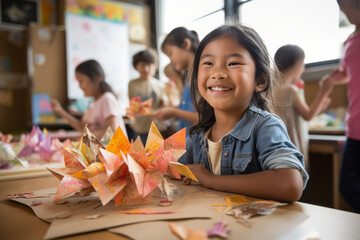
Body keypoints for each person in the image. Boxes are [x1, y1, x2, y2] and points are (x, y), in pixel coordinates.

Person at [178, 24, 309, 202]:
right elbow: (176, 169)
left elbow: (290, 184)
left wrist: (211, 180)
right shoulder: (198, 135)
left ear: (260, 80)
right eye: (208, 63)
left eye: (233, 63)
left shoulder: (265, 126)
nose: (218, 73)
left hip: (258, 227)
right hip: (212, 226)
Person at [274, 44, 335, 170]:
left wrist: (319, 107)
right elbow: (308, 115)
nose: (303, 67)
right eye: (303, 63)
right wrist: (324, 91)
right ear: (297, 63)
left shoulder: (273, 88)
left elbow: (299, 114)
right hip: (293, 149)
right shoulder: (290, 90)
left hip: (278, 152)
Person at [51, 59, 127, 139]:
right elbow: (83, 128)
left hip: (112, 150)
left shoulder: (107, 98)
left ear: (97, 79)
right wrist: (60, 111)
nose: (79, 86)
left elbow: (112, 130)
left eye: (81, 81)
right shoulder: (93, 103)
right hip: (98, 150)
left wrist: (87, 139)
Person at [336, 0, 360, 213]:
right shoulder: (348, 43)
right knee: (347, 186)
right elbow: (346, 74)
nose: (344, 10)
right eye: (340, 7)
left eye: (346, 5)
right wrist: (332, 79)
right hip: (354, 129)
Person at [151, 27, 199, 135]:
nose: (171, 61)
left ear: (186, 44)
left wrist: (174, 112)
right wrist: (171, 109)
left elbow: (203, 118)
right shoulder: (187, 76)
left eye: (170, 53)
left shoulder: (201, 76)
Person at [128, 49, 167, 144]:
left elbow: (164, 106)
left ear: (155, 66)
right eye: (142, 65)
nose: (146, 69)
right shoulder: (132, 84)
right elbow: (133, 106)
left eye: (149, 65)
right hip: (138, 128)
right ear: (136, 67)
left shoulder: (160, 85)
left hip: (155, 129)